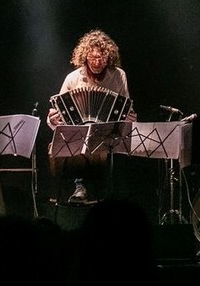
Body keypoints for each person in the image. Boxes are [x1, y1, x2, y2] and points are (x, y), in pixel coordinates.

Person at [47, 29, 137, 204]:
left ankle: (110, 196)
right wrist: (52, 120)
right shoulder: (72, 79)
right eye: (92, 57)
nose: (96, 62)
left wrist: (129, 119)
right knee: (77, 142)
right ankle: (80, 187)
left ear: (108, 58)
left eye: (101, 58)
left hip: (109, 136)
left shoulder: (118, 76)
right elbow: (57, 117)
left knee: (116, 149)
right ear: (85, 57)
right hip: (80, 139)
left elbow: (126, 108)